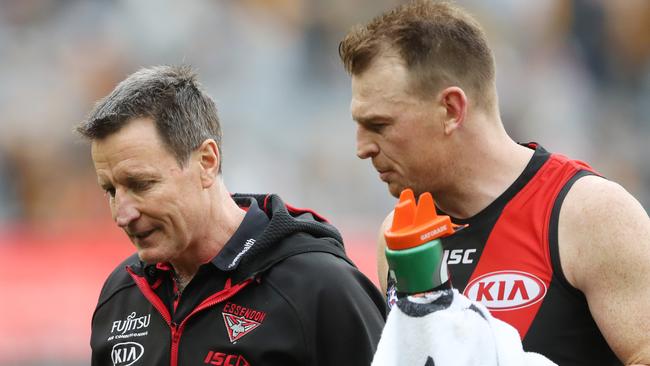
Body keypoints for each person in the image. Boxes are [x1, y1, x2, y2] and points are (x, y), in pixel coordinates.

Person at [338, 1, 650, 365]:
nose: (361, 148)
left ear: (452, 109)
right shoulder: (398, 235)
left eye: (380, 125)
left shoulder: (589, 214)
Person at [79, 65, 386, 366]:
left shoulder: (320, 287)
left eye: (141, 184)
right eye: (110, 190)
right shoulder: (121, 294)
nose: (122, 214)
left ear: (207, 162)